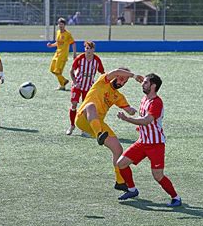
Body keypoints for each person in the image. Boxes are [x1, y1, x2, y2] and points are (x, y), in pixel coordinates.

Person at [116, 73, 182, 207]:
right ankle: (132, 190)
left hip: (155, 145)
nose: (142, 84)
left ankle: (176, 197)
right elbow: (145, 122)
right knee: (121, 163)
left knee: (158, 176)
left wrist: (127, 119)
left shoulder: (156, 103)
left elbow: (147, 120)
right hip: (142, 142)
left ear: (153, 86)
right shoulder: (144, 99)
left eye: (146, 82)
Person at [75, 68, 143, 191]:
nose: (122, 83)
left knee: (118, 149)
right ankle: (99, 134)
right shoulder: (103, 81)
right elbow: (116, 71)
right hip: (83, 118)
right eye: (122, 79)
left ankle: (120, 181)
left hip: (98, 123)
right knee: (90, 106)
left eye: (125, 82)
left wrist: (131, 111)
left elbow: (128, 109)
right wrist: (134, 75)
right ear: (116, 76)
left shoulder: (118, 96)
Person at [66, 41, 104, 135]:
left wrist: (99, 85)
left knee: (86, 108)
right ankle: (71, 125)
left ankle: (83, 129)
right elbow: (71, 71)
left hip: (89, 88)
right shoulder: (80, 58)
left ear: (93, 50)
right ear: (84, 49)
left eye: (90, 48)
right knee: (74, 104)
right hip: (78, 86)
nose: (89, 50)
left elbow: (102, 73)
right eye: (87, 48)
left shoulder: (97, 60)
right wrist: (75, 83)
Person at [47, 18, 76, 90]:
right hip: (57, 53)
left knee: (57, 71)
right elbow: (58, 43)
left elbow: (73, 43)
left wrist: (74, 54)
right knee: (52, 70)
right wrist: (51, 45)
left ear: (64, 25)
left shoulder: (67, 34)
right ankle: (63, 82)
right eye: (59, 24)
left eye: (62, 24)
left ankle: (62, 85)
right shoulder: (58, 32)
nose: (60, 25)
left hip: (63, 55)